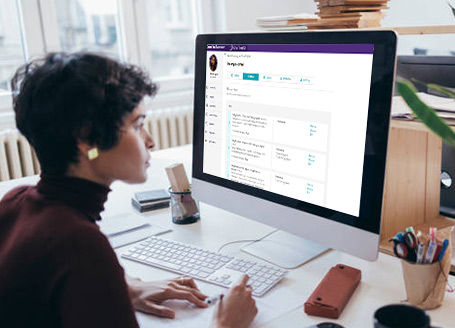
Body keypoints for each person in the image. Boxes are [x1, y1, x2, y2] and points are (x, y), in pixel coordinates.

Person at [0, 52, 257, 328]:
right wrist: (227, 324)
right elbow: (73, 261)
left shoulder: (15, 201)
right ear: (88, 139)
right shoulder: (80, 245)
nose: (150, 141)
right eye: (137, 125)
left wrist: (123, 289)